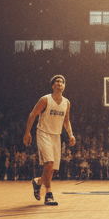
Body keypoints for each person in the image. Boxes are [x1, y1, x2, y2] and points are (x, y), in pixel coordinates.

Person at [23, 75, 76, 206]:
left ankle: (38, 181)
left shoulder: (66, 103)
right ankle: (48, 193)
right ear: (53, 86)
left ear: (64, 86)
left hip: (56, 136)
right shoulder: (45, 99)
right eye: (57, 82)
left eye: (62, 82)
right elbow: (32, 114)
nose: (59, 83)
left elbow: (66, 121)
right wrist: (27, 133)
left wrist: (71, 134)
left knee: (51, 168)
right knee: (49, 163)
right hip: (43, 133)